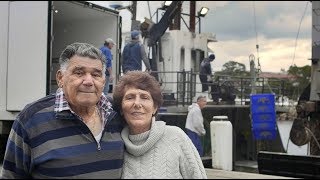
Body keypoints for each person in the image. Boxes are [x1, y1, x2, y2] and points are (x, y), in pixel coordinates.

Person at [0, 42, 125, 178]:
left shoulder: (117, 112)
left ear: (103, 81)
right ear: (60, 78)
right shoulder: (31, 119)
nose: (89, 81)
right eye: (79, 73)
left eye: (96, 75)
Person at [113, 71, 207, 179]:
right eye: (130, 97)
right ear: (120, 108)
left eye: (144, 97)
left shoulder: (176, 137)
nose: (137, 103)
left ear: (155, 107)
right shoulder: (115, 146)